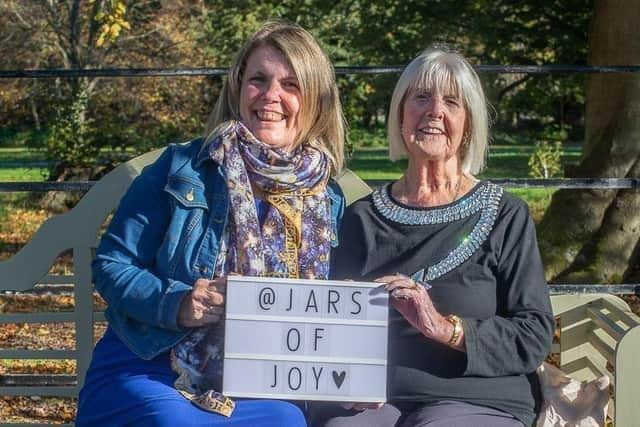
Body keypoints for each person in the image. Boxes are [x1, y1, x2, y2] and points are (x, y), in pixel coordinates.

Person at [76, 21, 346, 427]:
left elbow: (336, 317)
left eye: (291, 85)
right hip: (152, 364)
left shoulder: (326, 198)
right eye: (258, 79)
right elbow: (112, 265)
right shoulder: (181, 169)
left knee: (286, 422)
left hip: (260, 383)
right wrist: (180, 303)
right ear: (238, 87)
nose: (271, 96)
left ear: (316, 101)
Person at [321, 47, 554, 427]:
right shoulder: (361, 217)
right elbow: (329, 329)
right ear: (400, 115)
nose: (435, 111)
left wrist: (444, 328)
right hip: (375, 402)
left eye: (451, 101)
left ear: (469, 124)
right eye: (421, 97)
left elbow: (533, 333)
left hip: (476, 398)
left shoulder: (505, 214)